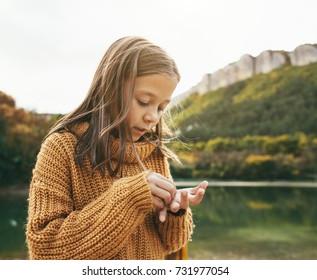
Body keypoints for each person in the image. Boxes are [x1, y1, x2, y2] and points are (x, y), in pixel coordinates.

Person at [26, 36, 208, 260]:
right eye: (143, 101)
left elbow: (170, 245)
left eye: (161, 107)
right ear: (110, 87)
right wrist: (129, 198)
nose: (153, 117)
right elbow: (45, 251)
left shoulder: (153, 153)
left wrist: (175, 212)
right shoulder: (61, 148)